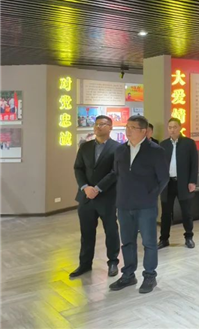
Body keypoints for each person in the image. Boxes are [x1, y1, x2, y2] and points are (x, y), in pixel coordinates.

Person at [110, 115, 169, 294]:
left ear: (144, 131)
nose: (128, 131)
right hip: (124, 204)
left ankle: (149, 275)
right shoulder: (120, 150)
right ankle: (128, 275)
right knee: (127, 241)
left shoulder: (156, 151)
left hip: (146, 206)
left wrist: (150, 195)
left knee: (149, 242)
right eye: (127, 127)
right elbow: (116, 174)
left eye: (133, 128)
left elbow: (163, 178)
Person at [70, 115, 121, 279]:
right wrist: (85, 187)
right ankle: (85, 264)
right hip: (86, 197)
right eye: (96, 124)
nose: (98, 127)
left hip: (107, 197)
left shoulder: (118, 148)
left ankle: (113, 262)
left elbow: (115, 172)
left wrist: (98, 188)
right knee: (86, 233)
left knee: (111, 231)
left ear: (110, 127)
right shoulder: (85, 146)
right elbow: (78, 168)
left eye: (103, 124)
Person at [158, 118, 199, 249]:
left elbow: (194, 164)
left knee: (186, 212)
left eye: (175, 127)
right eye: (170, 127)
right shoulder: (163, 144)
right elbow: (159, 165)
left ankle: (189, 237)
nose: (172, 130)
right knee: (165, 213)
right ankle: (164, 239)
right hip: (167, 184)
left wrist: (192, 181)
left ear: (180, 127)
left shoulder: (189, 143)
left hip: (184, 183)